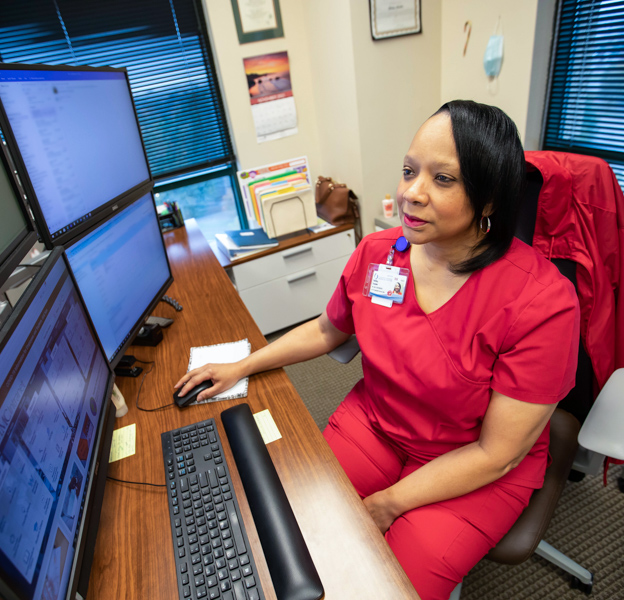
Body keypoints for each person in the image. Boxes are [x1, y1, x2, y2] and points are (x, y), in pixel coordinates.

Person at [175, 100, 581, 600]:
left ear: (491, 199)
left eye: (443, 179)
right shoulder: (379, 254)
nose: (411, 193)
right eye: (410, 171)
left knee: (383, 586)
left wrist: (389, 503)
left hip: (474, 463)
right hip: (379, 422)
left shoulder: (542, 302)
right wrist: (244, 363)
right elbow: (328, 330)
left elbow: (497, 453)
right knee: (299, 530)